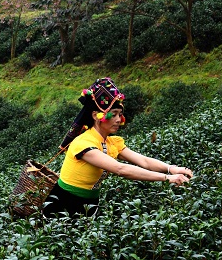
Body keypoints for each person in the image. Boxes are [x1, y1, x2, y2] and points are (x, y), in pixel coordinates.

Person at [42, 77, 193, 217]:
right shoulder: (83, 144)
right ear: (96, 116)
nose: (118, 119)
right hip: (63, 204)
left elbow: (144, 161)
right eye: (113, 114)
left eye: (119, 114)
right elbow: (120, 169)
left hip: (90, 204)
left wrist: (171, 168)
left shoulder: (112, 143)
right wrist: (167, 178)